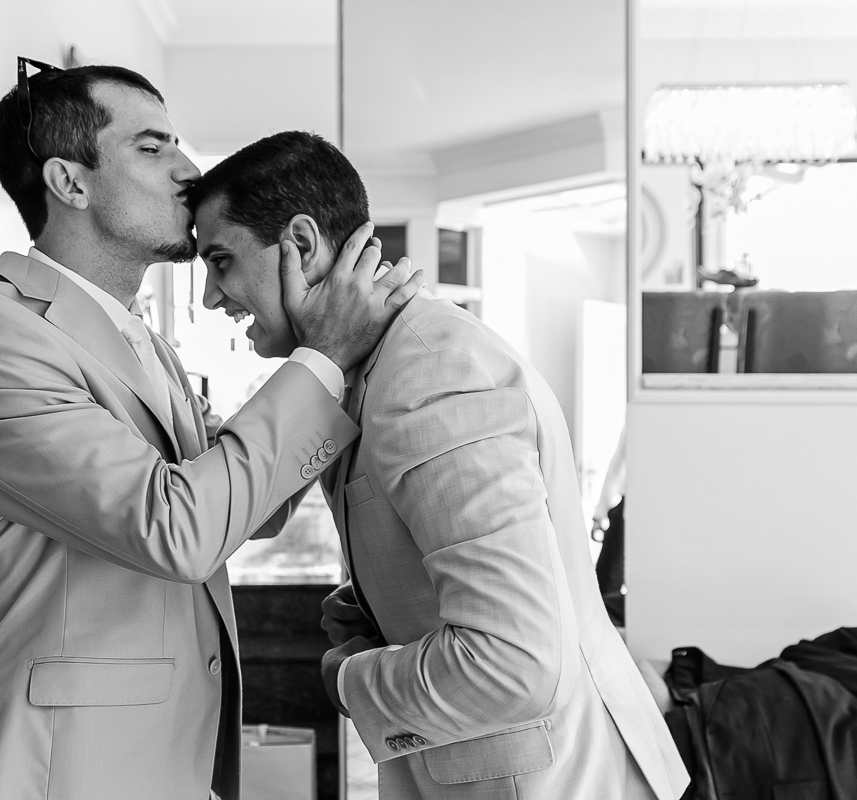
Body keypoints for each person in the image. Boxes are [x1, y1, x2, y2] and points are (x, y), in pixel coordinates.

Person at [0, 65, 422, 800]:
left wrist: (341, 348)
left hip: (171, 765)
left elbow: (255, 502)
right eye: (154, 150)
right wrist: (326, 355)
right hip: (63, 774)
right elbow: (178, 528)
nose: (190, 174)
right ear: (70, 182)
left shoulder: (146, 346)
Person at [189, 131, 690, 800]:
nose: (209, 298)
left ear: (302, 245)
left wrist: (350, 676)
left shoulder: (426, 370)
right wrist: (380, 603)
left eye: (220, 261)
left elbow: (512, 664)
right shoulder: (369, 365)